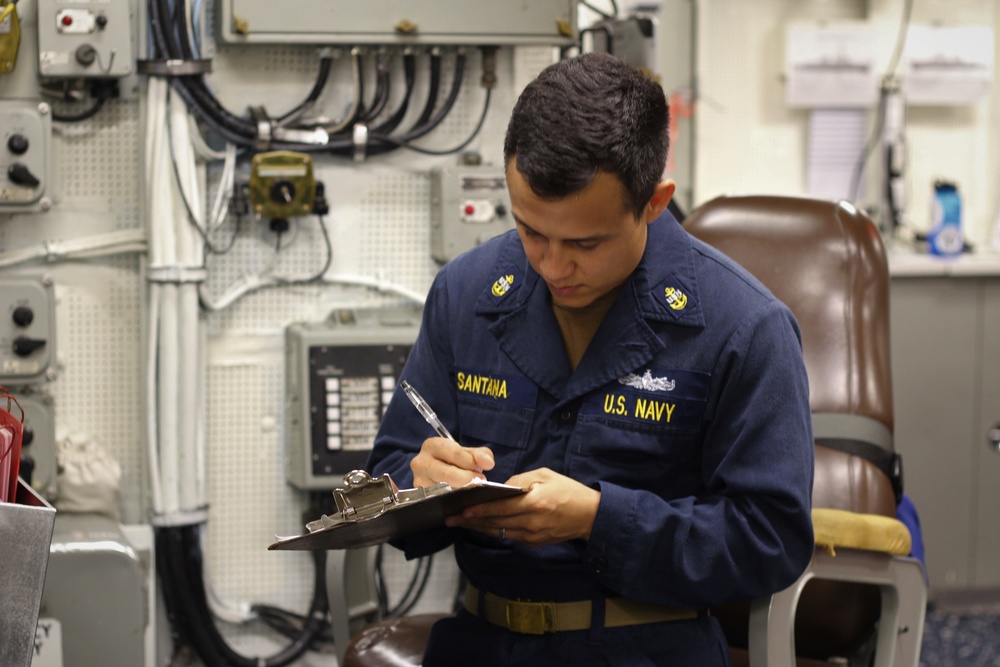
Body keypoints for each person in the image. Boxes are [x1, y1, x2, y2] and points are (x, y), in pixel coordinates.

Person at [366, 52, 814, 666]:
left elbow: (769, 539)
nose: (552, 265)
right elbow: (389, 467)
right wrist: (419, 481)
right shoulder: (467, 292)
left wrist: (601, 521)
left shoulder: (742, 326)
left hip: (645, 649)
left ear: (655, 202)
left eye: (584, 243)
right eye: (529, 231)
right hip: (478, 643)